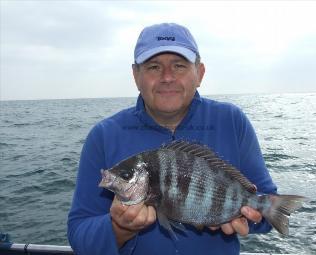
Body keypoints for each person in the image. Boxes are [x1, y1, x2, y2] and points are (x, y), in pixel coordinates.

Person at [67, 22, 277, 255]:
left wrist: (248, 216)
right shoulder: (103, 136)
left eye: (179, 66)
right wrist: (119, 228)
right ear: (136, 76)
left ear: (200, 73)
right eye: (154, 67)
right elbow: (79, 235)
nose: (167, 77)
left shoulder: (233, 121)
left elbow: (269, 212)